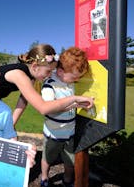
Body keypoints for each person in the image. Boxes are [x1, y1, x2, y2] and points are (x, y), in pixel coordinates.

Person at [0, 43, 94, 125]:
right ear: (35, 66)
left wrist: (12, 124)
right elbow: (43, 108)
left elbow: (23, 101)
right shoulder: (19, 75)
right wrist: (74, 98)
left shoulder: (31, 76)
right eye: (48, 71)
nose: (50, 75)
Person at [40, 47, 90, 187]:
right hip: (53, 134)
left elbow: (72, 102)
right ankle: (44, 178)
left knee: (70, 163)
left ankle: (67, 181)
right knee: (47, 159)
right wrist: (75, 103)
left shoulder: (69, 82)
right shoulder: (50, 85)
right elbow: (49, 109)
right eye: (75, 77)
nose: (77, 80)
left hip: (70, 133)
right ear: (61, 72)